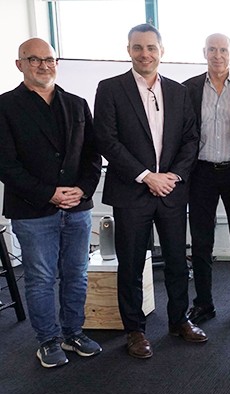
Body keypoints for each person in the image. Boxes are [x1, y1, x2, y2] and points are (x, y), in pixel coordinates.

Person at [93, 23, 204, 359]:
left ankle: (178, 320)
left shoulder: (178, 92)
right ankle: (135, 330)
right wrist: (146, 176)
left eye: (151, 48)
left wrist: (172, 176)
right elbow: (106, 140)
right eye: (138, 47)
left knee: (175, 261)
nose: (145, 54)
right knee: (130, 264)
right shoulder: (111, 89)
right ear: (128, 50)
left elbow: (190, 139)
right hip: (132, 192)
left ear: (161, 51)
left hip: (171, 190)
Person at [0, 38, 102, 368]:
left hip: (76, 207)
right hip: (33, 210)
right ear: (20, 64)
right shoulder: (5, 106)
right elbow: (5, 164)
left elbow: (91, 156)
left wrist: (83, 190)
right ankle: (47, 340)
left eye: (49, 59)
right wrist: (49, 192)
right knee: (41, 278)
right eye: (34, 59)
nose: (44, 65)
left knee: (77, 274)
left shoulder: (76, 103)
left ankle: (73, 333)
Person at [182, 34, 230, 329]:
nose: (218, 55)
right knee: (201, 241)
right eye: (212, 49)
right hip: (201, 172)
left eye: (223, 50)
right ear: (204, 52)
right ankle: (204, 303)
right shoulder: (190, 88)